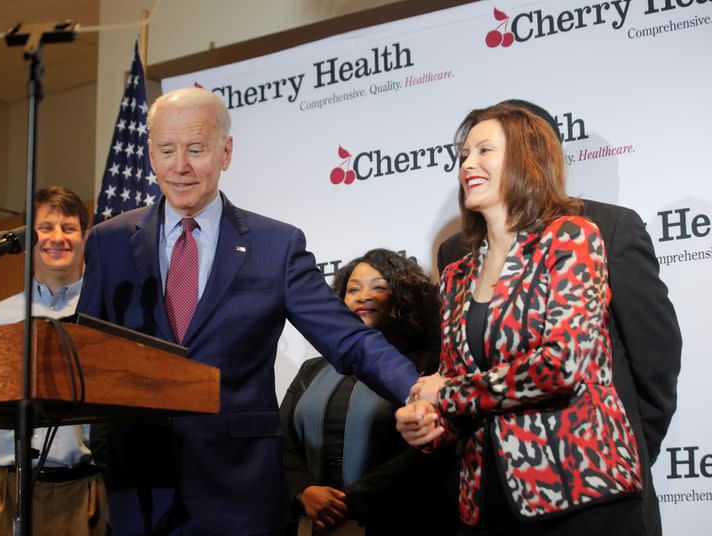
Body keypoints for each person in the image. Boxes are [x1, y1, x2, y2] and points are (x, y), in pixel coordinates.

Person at [76, 88, 419, 535]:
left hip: (239, 493)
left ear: (226, 152)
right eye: (167, 150)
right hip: (138, 493)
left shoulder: (275, 245)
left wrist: (415, 388)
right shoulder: (109, 242)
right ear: (150, 156)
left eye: (196, 149)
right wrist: (107, 447)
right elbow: (88, 354)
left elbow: (348, 338)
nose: (180, 166)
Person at [436, 99, 681, 536]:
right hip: (485, 499)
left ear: (529, 156)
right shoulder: (456, 263)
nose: (467, 164)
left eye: (484, 150)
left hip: (584, 490)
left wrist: (621, 445)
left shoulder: (591, 231)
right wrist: (428, 415)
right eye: (464, 155)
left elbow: (653, 358)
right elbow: (455, 376)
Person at [0, 186, 107, 536]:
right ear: (30, 236)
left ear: (85, 236)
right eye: (45, 227)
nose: (57, 238)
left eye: (68, 227)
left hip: (84, 491)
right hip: (7, 490)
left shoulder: (105, 316)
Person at [280, 249, 441, 535]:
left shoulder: (426, 367)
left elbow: (427, 451)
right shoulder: (311, 370)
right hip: (312, 521)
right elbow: (282, 441)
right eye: (352, 289)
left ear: (406, 297)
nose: (362, 296)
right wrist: (304, 491)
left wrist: (347, 502)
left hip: (396, 520)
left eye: (378, 287)